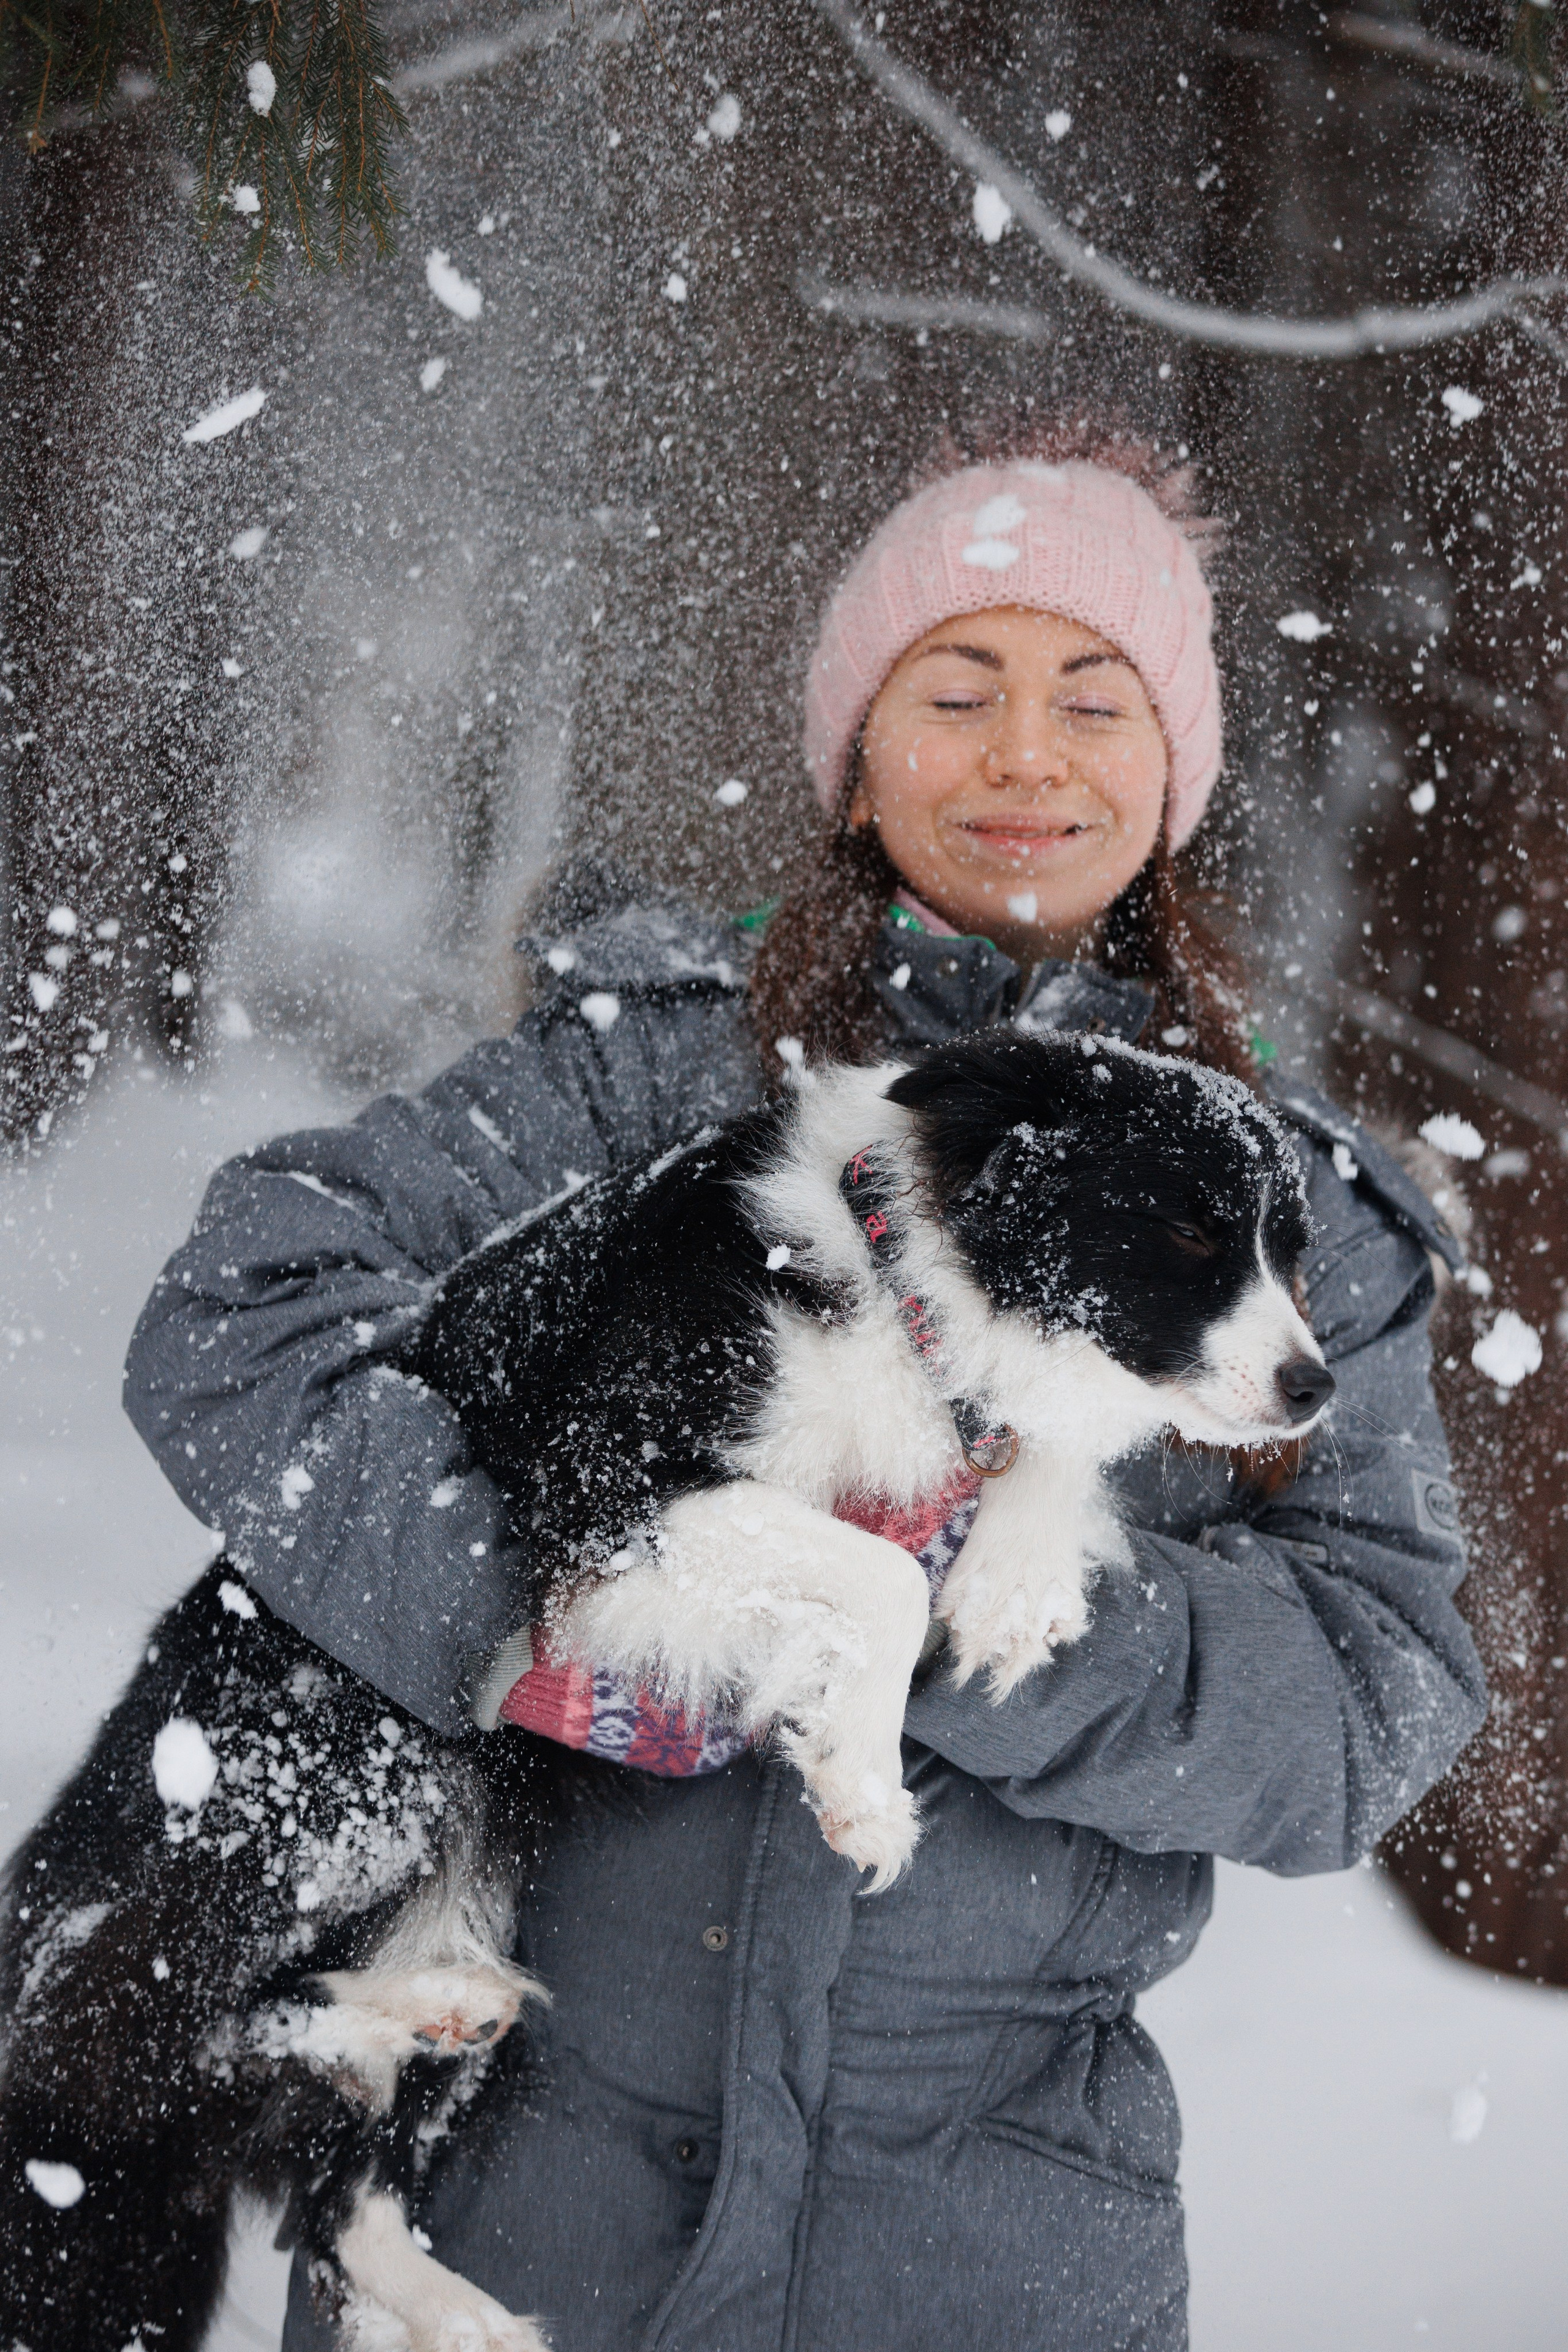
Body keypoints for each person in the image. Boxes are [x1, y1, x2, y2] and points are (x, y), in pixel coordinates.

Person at [123, 428, 1485, 2352]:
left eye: (1097, 700)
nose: (1028, 756)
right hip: (523, 2209)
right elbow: (240, 1316)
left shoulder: (1286, 1217)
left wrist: (955, 1618)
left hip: (989, 2255)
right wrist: (521, 1606)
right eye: (958, 691)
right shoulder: (645, 1081)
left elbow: (1372, 1705)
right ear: (856, 762)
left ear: (1171, 776)